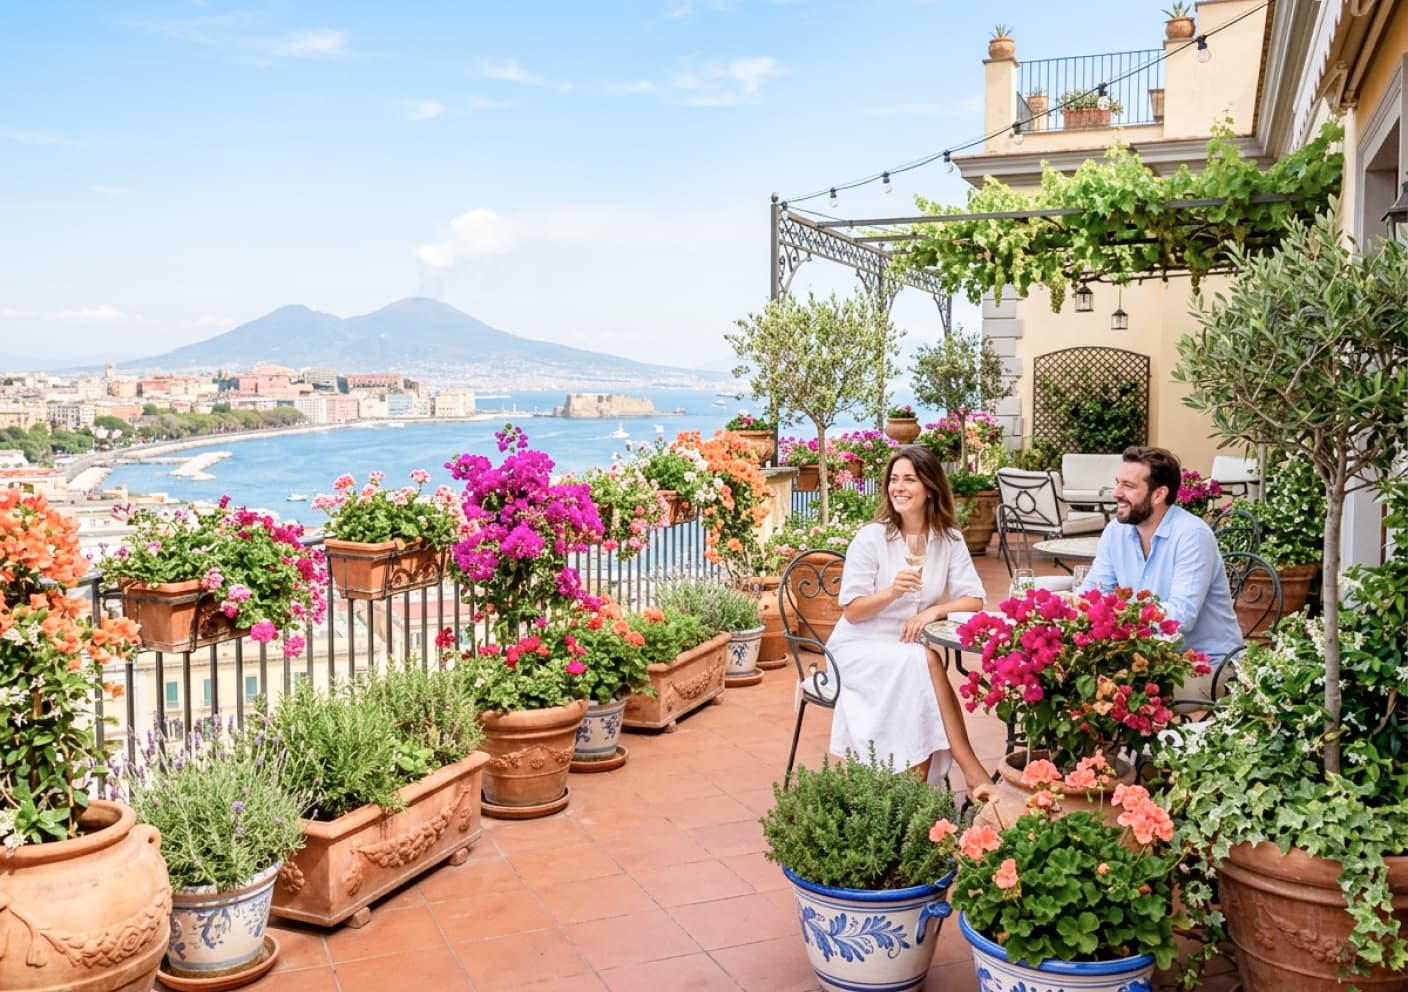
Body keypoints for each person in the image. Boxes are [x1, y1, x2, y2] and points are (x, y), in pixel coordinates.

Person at [827, 445, 992, 795]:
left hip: (904, 650)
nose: (898, 487)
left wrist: (933, 611)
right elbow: (852, 611)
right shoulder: (872, 537)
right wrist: (891, 592)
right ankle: (969, 771)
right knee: (926, 660)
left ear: (930, 487)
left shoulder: (948, 539)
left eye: (909, 480)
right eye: (894, 480)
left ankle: (912, 793)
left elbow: (974, 599)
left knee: (920, 666)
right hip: (858, 647)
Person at [1079, 445, 1242, 697]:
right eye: (1117, 483)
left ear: (1159, 494)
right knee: (1069, 679)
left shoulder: (1191, 535)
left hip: (1207, 666)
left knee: (1110, 695)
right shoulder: (1116, 531)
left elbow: (1181, 616)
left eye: (1128, 486)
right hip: (1147, 660)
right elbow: (1093, 592)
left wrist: (1118, 617)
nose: (1116, 493)